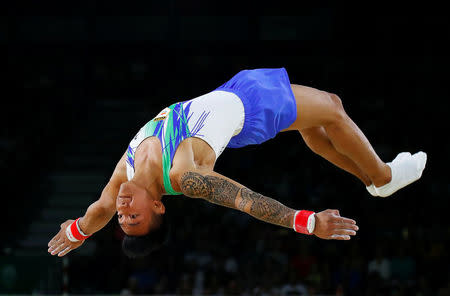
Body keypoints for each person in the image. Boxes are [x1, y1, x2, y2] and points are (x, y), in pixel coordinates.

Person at [47, 68, 427, 258]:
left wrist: (77, 233)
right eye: (136, 219)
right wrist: (309, 222)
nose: (123, 211)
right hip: (253, 107)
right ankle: (383, 176)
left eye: (122, 218)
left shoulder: (122, 178)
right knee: (333, 107)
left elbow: (97, 211)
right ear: (159, 206)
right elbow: (245, 201)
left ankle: (374, 180)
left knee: (313, 126)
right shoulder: (183, 177)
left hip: (229, 91)